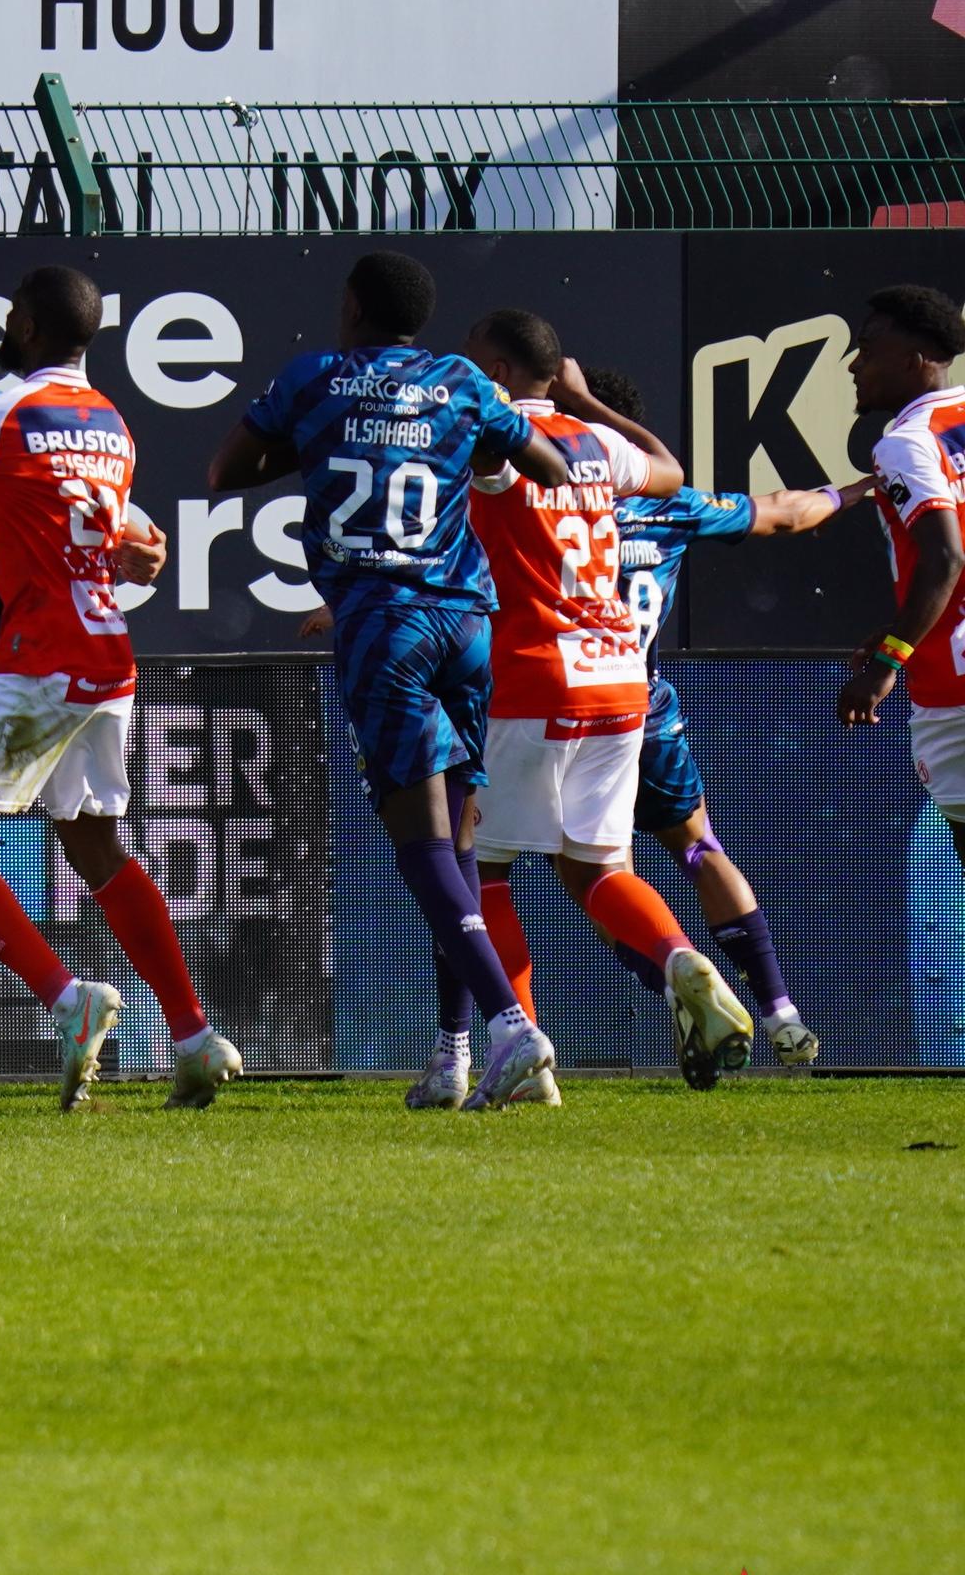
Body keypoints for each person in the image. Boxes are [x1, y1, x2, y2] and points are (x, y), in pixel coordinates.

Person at [208, 249, 577, 1116]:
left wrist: (318, 453)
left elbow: (226, 472)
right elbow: (551, 467)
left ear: (349, 308)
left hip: (384, 624)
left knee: (421, 850)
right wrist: (476, 462)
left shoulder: (317, 378)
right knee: (456, 850)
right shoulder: (458, 380)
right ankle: (454, 1056)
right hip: (467, 624)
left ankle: (510, 1028)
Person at [0, 265, 227, 1111]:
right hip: (110, 659)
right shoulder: (112, 422)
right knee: (97, 850)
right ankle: (193, 1036)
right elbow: (124, 532)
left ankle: (68, 1002)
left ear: (26, 326)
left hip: (36, 663)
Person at [457, 308, 757, 1094]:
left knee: (482, 871)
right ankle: (680, 958)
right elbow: (669, 473)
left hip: (530, 680)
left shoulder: (492, 440)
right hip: (619, 679)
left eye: (474, 362)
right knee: (595, 869)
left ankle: (521, 1054)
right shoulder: (596, 444)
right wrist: (589, 404)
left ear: (498, 369)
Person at [588, 362, 842, 1071]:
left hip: (574, 710)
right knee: (700, 848)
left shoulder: (546, 504)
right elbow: (785, 512)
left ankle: (683, 986)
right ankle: (781, 1013)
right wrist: (854, 490)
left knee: (601, 874)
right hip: (648, 704)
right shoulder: (672, 507)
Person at [839, 284, 965, 888]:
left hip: (955, 688)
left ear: (915, 359)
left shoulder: (905, 443)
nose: (854, 364)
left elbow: (946, 558)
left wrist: (890, 659)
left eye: (867, 348)